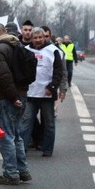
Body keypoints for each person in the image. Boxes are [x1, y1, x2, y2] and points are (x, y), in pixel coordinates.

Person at [0, 23, 31, 185]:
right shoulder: (16, 45)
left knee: (6, 137)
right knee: (17, 135)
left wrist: (12, 97)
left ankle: (11, 173)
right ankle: (22, 170)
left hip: (7, 98)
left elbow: (3, 76)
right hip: (22, 94)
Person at [23, 28, 64, 157]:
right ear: (32, 38)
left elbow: (59, 72)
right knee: (26, 121)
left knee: (49, 122)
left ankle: (47, 149)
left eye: (40, 37)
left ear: (44, 37)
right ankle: (22, 147)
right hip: (30, 93)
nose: (38, 40)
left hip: (47, 93)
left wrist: (52, 87)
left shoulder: (53, 51)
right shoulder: (26, 51)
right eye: (35, 38)